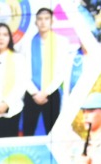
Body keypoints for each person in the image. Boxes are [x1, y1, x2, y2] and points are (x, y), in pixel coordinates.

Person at [19, 7, 71, 137]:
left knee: (53, 133)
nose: (43, 22)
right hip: (31, 93)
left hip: (51, 93)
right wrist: (34, 92)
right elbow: (22, 71)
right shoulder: (26, 43)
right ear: (35, 22)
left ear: (52, 21)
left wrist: (46, 92)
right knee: (28, 132)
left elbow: (62, 71)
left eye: (46, 19)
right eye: (40, 19)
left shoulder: (62, 42)